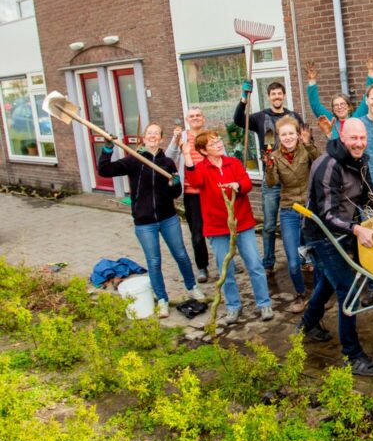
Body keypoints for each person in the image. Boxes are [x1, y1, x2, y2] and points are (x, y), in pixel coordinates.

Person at [297, 118, 373, 376]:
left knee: (328, 282)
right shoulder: (328, 165)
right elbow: (327, 214)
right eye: (354, 138)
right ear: (342, 137)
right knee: (348, 290)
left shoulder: (360, 162)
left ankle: (306, 327)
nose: (359, 143)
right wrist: (357, 229)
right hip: (321, 235)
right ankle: (352, 356)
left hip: (342, 230)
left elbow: (370, 198)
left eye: (362, 138)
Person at [98, 124, 205, 318]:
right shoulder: (134, 160)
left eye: (157, 133)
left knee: (181, 255)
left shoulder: (167, 163)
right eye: (150, 133)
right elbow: (105, 171)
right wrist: (107, 148)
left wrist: (175, 183)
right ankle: (162, 300)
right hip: (144, 222)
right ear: (144, 137)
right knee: (154, 262)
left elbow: (176, 193)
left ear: (161, 138)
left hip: (168, 218)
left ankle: (192, 287)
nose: (153, 135)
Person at [182, 130, 273, 323]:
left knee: (255, 265)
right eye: (213, 144)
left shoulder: (234, 163)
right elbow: (195, 182)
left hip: (242, 223)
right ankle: (233, 306)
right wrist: (187, 156)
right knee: (226, 270)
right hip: (217, 227)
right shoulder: (202, 168)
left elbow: (247, 183)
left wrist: (237, 186)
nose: (219, 145)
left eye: (219, 141)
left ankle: (264, 304)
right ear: (204, 151)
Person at [234, 80, 304, 278]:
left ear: (284, 95)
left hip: (292, 179)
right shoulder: (260, 117)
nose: (277, 97)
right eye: (273, 94)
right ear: (269, 97)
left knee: (301, 222)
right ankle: (268, 263)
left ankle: (304, 258)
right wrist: (243, 99)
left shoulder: (293, 117)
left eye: (279, 93)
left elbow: (304, 142)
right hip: (271, 179)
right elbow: (238, 120)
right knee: (269, 225)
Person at [264, 116, 318, 313]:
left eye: (291, 133)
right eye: (283, 134)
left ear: (297, 134)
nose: (287, 137)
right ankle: (300, 294)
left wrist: (308, 143)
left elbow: (319, 162)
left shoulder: (306, 150)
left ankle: (319, 295)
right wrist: (269, 167)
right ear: (279, 137)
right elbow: (271, 183)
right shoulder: (275, 156)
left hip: (309, 208)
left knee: (315, 255)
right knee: (294, 261)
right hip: (289, 210)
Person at [166, 107, 211, 283]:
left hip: (212, 191)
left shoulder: (210, 136)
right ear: (187, 120)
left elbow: (222, 157)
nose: (195, 118)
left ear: (203, 118)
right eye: (192, 116)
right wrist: (175, 140)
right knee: (197, 233)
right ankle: (202, 266)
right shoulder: (182, 137)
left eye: (198, 115)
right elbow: (169, 158)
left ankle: (227, 260)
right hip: (192, 193)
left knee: (222, 228)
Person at [305, 56, 373, 139]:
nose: (339, 107)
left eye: (342, 104)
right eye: (336, 105)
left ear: (349, 106)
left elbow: (368, 98)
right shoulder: (331, 121)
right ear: (333, 109)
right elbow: (316, 105)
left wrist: (371, 72)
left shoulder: (357, 118)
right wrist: (312, 81)